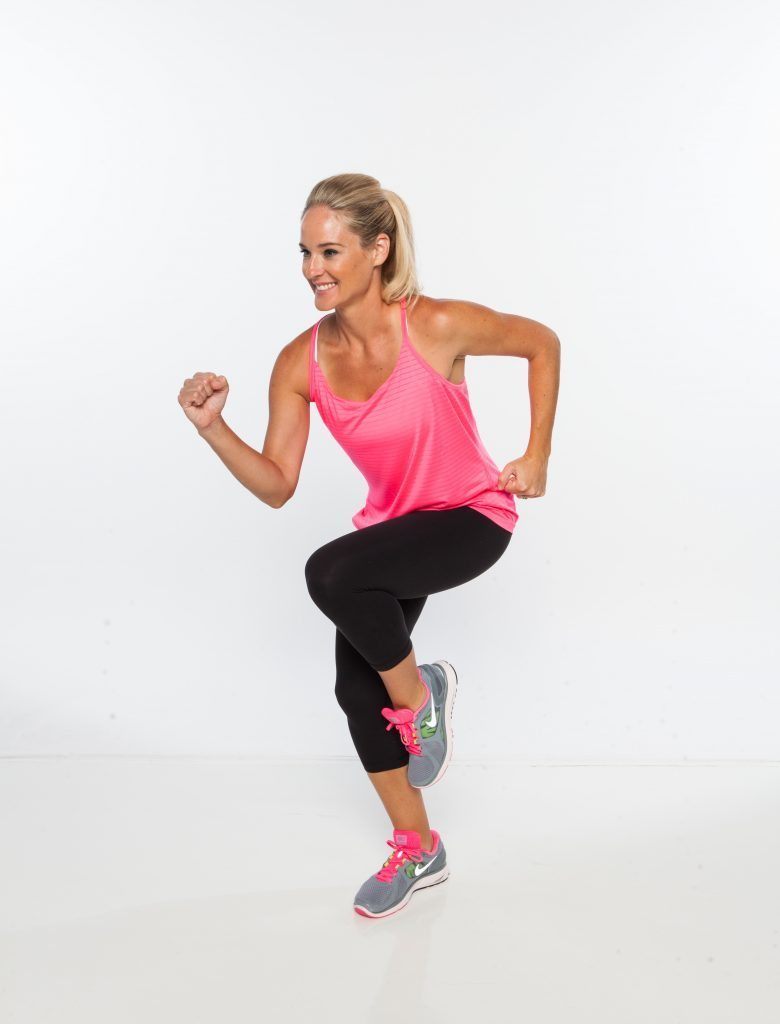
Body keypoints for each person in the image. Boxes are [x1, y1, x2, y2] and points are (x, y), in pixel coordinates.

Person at [178, 172, 560, 919]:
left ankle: (421, 696)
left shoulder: (435, 325)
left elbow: (541, 343)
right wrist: (213, 428)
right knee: (356, 689)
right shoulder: (301, 362)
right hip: (394, 538)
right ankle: (419, 848)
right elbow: (277, 484)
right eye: (304, 252)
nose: (312, 268)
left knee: (331, 572)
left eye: (330, 251)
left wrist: (537, 452)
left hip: (472, 518)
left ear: (378, 250)